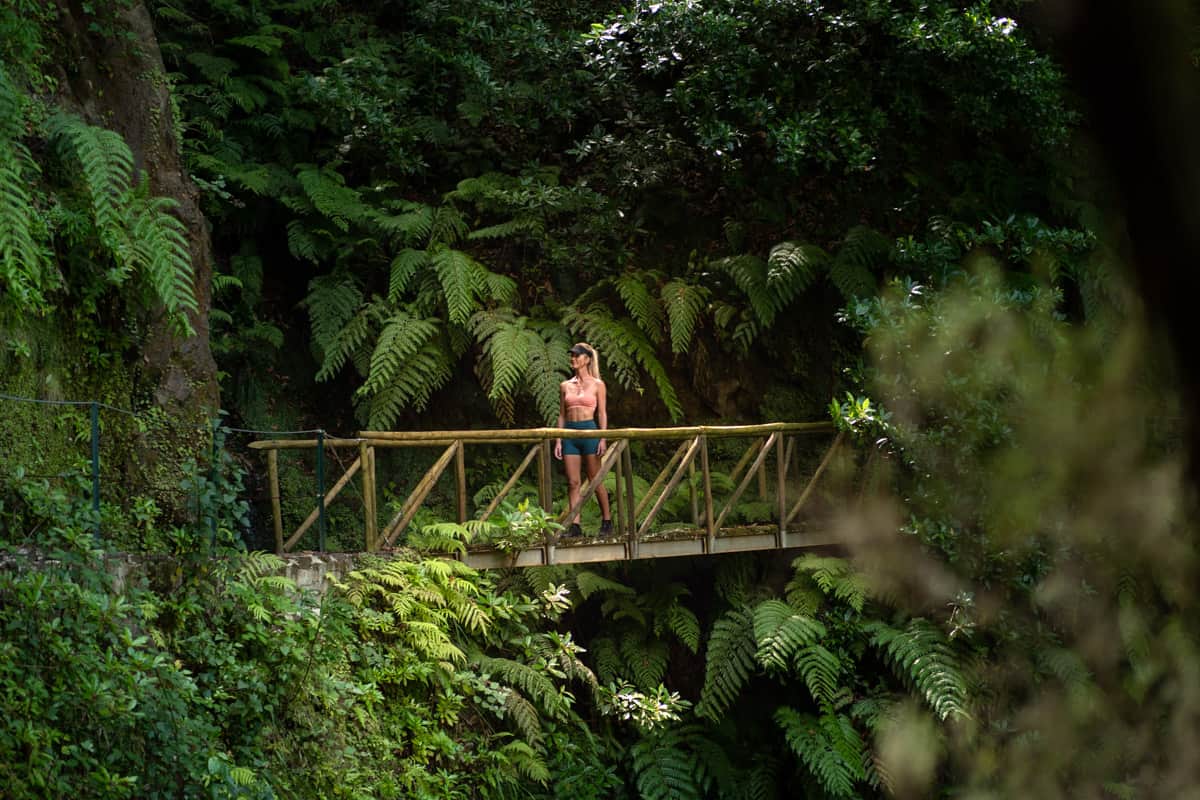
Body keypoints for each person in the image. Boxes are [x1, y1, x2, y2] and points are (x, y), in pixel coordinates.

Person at [554, 342, 613, 538]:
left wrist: (602, 438)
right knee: (573, 482)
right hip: (570, 434)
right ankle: (575, 526)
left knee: (595, 479)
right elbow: (562, 415)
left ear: (587, 359)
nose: (573, 359)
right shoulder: (565, 385)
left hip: (589, 432)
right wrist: (559, 440)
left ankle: (607, 520)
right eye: (571, 356)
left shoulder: (598, 384)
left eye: (577, 356)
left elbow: (602, 413)